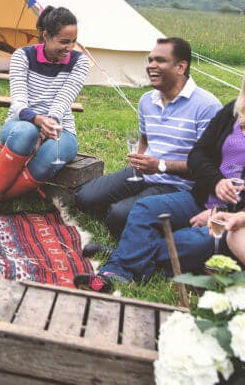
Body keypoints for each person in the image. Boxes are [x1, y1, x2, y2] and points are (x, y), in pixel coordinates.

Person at [74, 79, 244, 293]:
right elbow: (199, 155)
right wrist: (216, 181)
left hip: (235, 219)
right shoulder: (233, 110)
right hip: (200, 198)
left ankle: (121, 260)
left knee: (187, 243)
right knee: (145, 208)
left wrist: (219, 212)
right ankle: (119, 269)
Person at [75, 38, 221, 237]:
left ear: (180, 67)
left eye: (159, 61)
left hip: (180, 186)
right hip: (145, 173)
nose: (151, 66)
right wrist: (139, 161)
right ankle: (138, 210)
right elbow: (145, 138)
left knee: (118, 216)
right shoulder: (147, 100)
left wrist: (160, 165)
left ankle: (161, 219)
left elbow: (209, 165)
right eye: (150, 60)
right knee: (84, 197)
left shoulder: (207, 106)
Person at [0, 6, 89, 217]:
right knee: (26, 132)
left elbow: (63, 101)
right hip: (21, 123)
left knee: (51, 154)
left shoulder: (79, 62)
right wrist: (38, 122)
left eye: (73, 41)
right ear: (45, 36)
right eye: (64, 42)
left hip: (59, 127)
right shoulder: (22, 56)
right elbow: (19, 104)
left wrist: (48, 128)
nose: (70, 47)